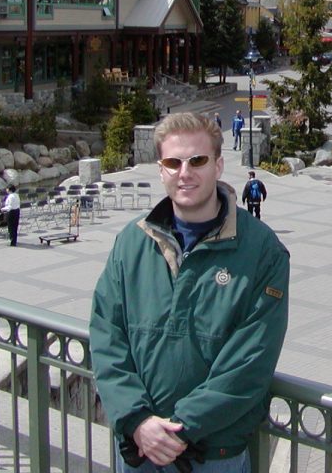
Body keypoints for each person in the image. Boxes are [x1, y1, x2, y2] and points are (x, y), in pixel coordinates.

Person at [89, 111, 289, 473]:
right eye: (173, 162)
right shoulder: (131, 243)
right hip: (140, 450)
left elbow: (250, 362)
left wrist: (180, 430)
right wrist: (137, 421)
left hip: (213, 456)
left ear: (218, 165)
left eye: (197, 160)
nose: (185, 172)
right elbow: (107, 336)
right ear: (161, 170)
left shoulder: (263, 251)